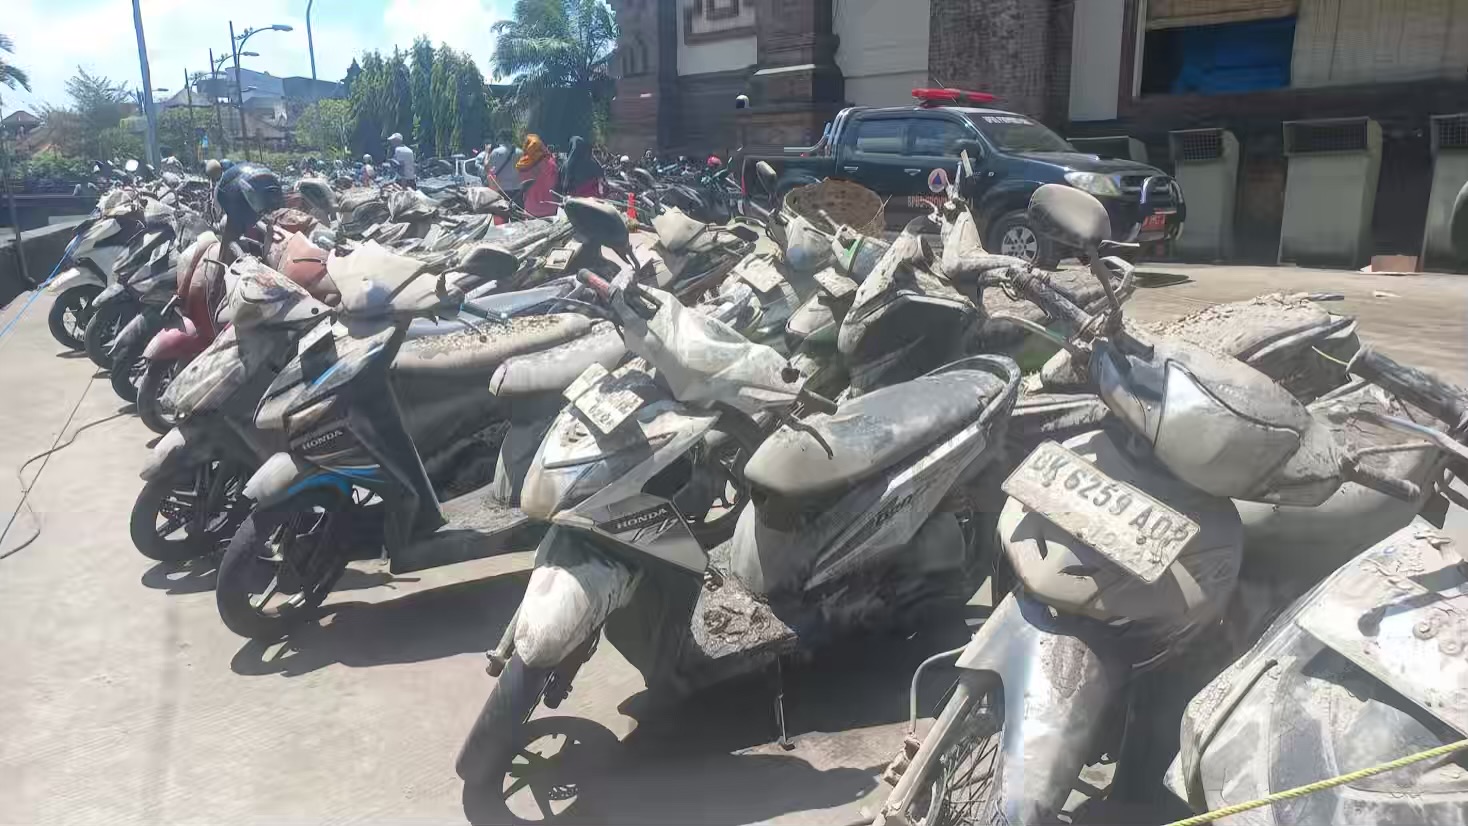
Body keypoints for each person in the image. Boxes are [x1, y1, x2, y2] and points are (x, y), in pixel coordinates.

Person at [517, 134, 559, 218]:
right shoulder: (551, 163)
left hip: (531, 208)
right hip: (550, 207)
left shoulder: (522, 165)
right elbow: (556, 183)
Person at [485, 130, 523, 203]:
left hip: (502, 189)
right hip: (517, 189)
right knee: (517, 212)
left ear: (501, 138)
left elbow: (487, 168)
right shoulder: (520, 152)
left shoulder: (496, 152)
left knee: (503, 212)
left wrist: (487, 152)